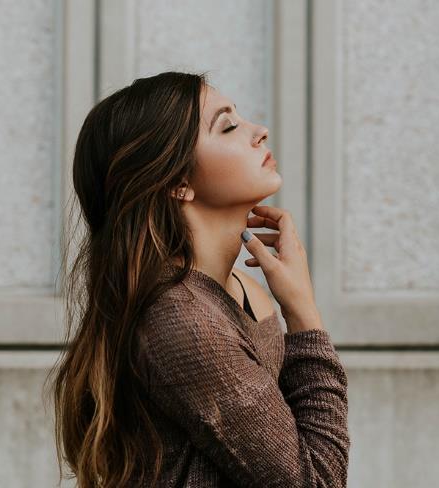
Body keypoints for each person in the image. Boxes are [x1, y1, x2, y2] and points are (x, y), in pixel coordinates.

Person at [44, 71, 349, 487]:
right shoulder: (183, 321)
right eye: (228, 126)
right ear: (178, 182)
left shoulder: (247, 292)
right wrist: (304, 313)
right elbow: (313, 481)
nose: (259, 132)